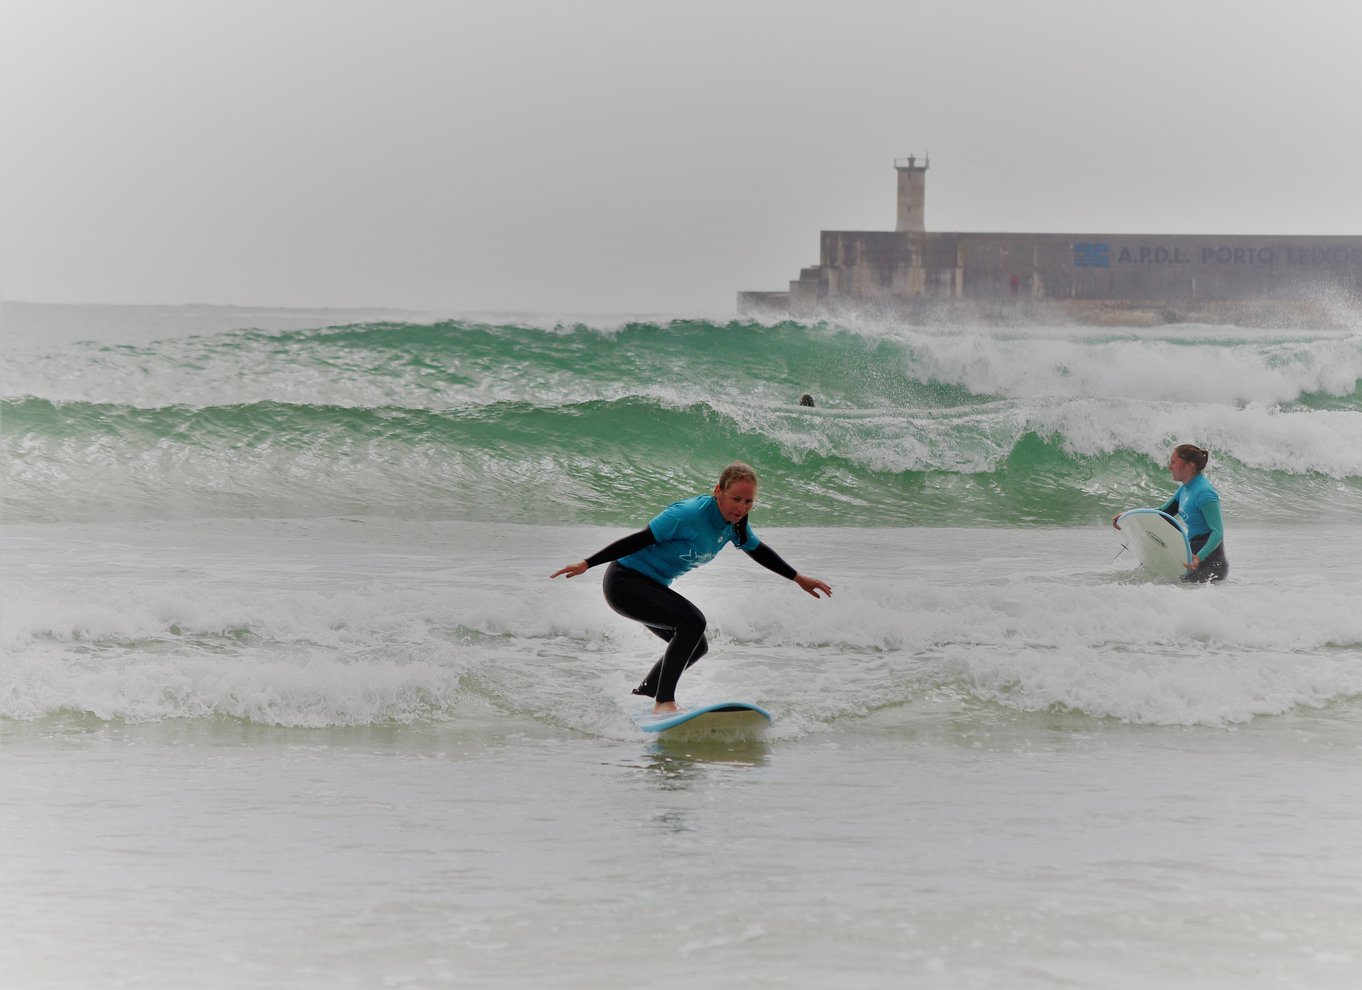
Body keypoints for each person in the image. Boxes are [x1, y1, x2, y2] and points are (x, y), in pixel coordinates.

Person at [550, 462, 832, 713]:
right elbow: (639, 540)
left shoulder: (735, 525)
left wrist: (798, 578)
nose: (741, 508)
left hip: (649, 586)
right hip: (625, 582)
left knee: (697, 645)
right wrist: (588, 562)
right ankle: (664, 702)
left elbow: (758, 551)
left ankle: (645, 694)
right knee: (692, 622)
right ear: (717, 491)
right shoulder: (687, 514)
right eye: (735, 499)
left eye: (748, 501)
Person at [1112, 443, 1228, 583]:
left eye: (1174, 462)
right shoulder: (1185, 488)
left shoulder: (1205, 493)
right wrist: (1128, 516)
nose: (1169, 467)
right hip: (1192, 555)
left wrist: (1199, 557)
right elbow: (1163, 513)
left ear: (1189, 466)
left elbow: (1218, 533)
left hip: (1211, 564)